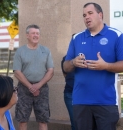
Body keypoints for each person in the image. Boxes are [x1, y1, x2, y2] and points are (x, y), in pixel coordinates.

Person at [63, 2, 123, 130]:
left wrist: (106, 66)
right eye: (84, 15)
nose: (87, 17)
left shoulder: (116, 35)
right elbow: (65, 67)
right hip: (81, 102)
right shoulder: (76, 38)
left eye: (90, 13)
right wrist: (73, 62)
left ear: (100, 15)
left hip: (106, 102)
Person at [13, 24, 54, 130]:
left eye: (37, 33)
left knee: (43, 120)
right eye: (33, 33)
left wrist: (38, 85)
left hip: (42, 89)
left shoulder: (46, 51)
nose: (36, 35)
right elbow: (17, 71)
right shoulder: (20, 51)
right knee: (22, 120)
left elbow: (50, 71)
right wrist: (30, 86)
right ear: (27, 35)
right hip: (24, 88)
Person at [61, 55, 75, 130]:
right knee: (75, 123)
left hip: (85, 95)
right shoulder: (66, 59)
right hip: (70, 93)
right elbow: (66, 76)